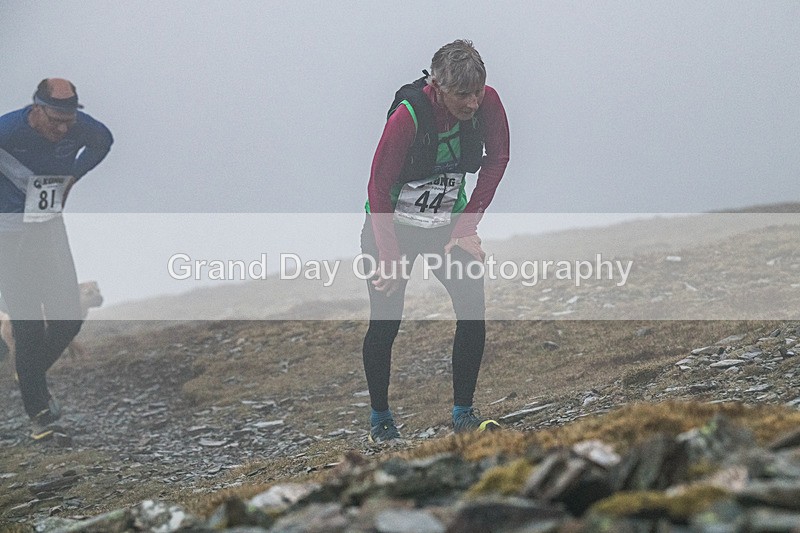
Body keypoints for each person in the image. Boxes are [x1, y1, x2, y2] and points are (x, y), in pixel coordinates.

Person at [361, 40, 510, 442]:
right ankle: (381, 420)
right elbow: (377, 186)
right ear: (438, 86)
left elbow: (497, 160)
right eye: (462, 95)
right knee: (385, 322)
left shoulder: (488, 102)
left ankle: (464, 413)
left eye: (477, 91)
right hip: (392, 228)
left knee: (472, 310)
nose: (473, 102)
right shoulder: (409, 116)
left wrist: (466, 226)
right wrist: (389, 257)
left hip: (446, 228)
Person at [0, 78, 113, 441]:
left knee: (68, 317)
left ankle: (29, 373)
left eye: (69, 121)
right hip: (8, 235)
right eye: (55, 121)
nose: (63, 129)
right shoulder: (8, 130)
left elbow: (103, 141)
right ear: (37, 109)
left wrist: (73, 178)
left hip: (48, 230)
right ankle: (41, 418)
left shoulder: (78, 126)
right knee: (29, 325)